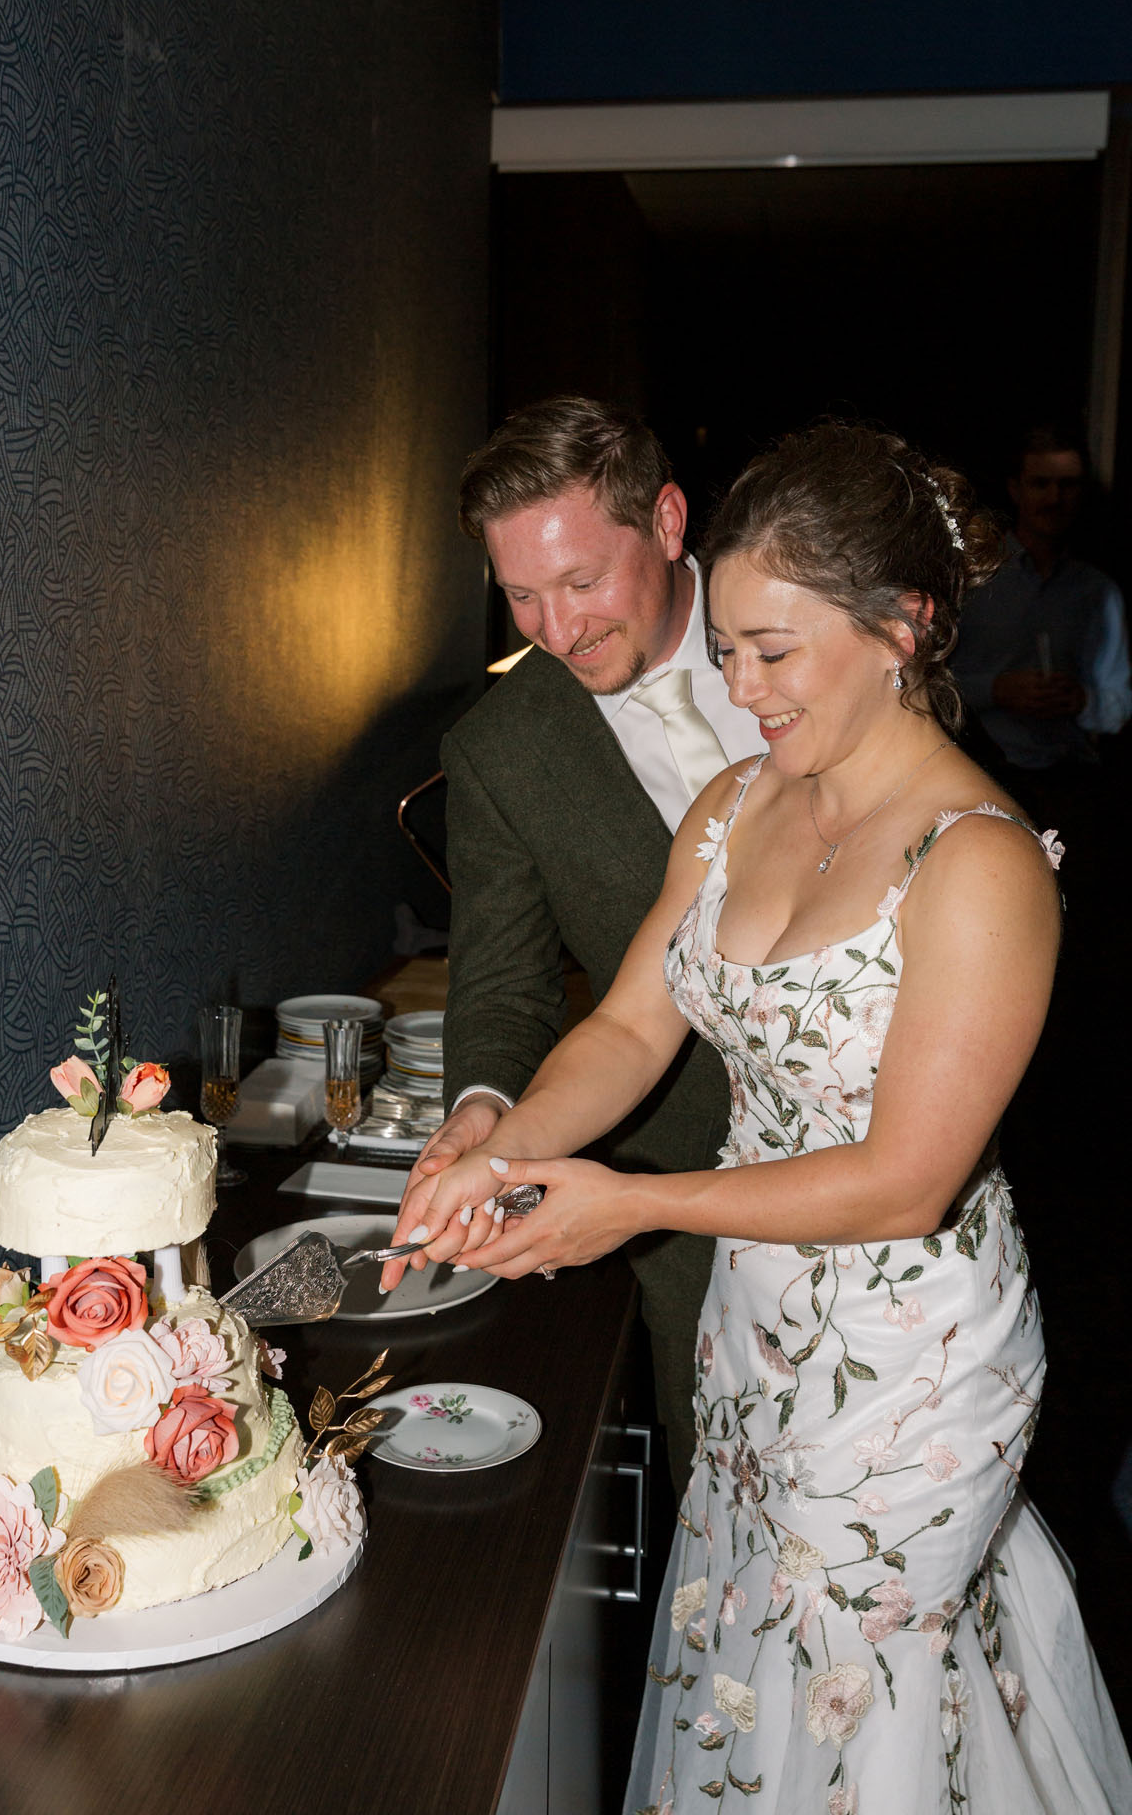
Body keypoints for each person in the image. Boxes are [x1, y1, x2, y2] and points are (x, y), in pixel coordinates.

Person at [384, 423, 1131, 1813]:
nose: (740, 686)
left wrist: (635, 1203)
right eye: (725, 650)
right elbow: (624, 1024)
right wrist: (510, 1146)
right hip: (757, 1324)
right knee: (751, 1667)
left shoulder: (982, 866)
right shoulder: (734, 808)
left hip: (912, 1357)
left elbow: (909, 1181)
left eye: (774, 653)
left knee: (861, 1700)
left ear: (902, 625)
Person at [419, 397, 763, 1490]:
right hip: (677, 1206)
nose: (554, 631)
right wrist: (485, 1106)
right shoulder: (500, 750)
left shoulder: (810, 638)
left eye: (579, 583)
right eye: (520, 594)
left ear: (666, 522)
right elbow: (508, 983)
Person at [952, 422, 1131, 781]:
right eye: (1041, 484)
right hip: (982, 773)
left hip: (1072, 777)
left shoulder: (1098, 591)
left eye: (1067, 485)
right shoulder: (972, 576)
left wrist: (1082, 700)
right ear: (1015, 489)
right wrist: (996, 690)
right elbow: (922, 683)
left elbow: (1119, 705)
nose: (1054, 498)